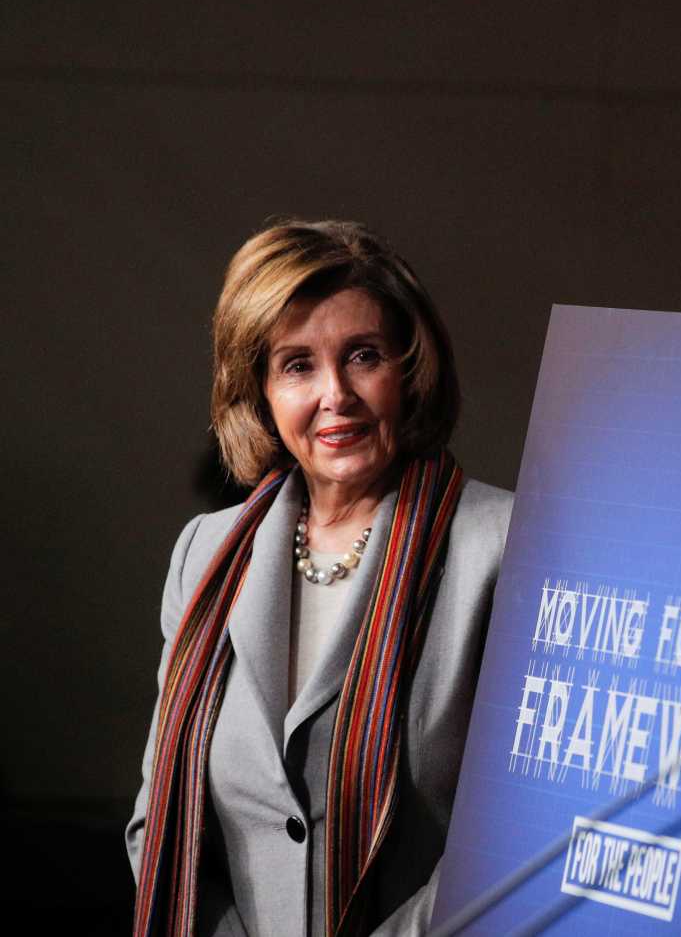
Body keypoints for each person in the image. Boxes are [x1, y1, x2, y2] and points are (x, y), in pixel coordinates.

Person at [125, 220, 514, 936]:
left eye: (362, 355)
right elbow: (161, 822)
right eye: (297, 365)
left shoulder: (503, 548)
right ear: (260, 391)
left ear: (409, 367)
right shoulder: (204, 552)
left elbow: (510, 841)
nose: (336, 393)